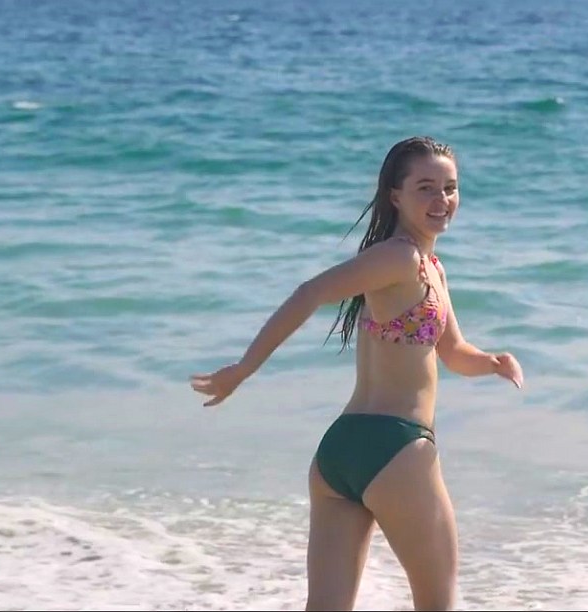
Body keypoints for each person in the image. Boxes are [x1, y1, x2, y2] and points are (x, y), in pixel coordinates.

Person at [189, 136, 524, 611]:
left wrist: (492, 362)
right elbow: (311, 292)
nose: (441, 199)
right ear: (395, 195)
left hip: (341, 453)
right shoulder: (400, 257)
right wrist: (244, 369)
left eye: (450, 188)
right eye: (426, 188)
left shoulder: (429, 266)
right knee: (439, 603)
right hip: (398, 449)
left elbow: (452, 353)